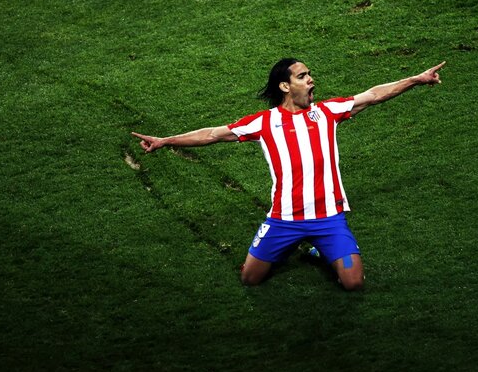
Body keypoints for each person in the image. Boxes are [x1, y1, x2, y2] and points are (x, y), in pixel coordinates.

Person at [132, 58, 445, 290]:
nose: (311, 80)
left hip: (328, 218)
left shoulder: (327, 112)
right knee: (249, 279)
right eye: (303, 75)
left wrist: (415, 79)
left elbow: (373, 95)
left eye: (309, 74)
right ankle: (300, 246)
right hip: (284, 219)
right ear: (285, 85)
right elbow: (213, 134)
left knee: (353, 283)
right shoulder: (264, 122)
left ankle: (316, 250)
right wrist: (166, 141)